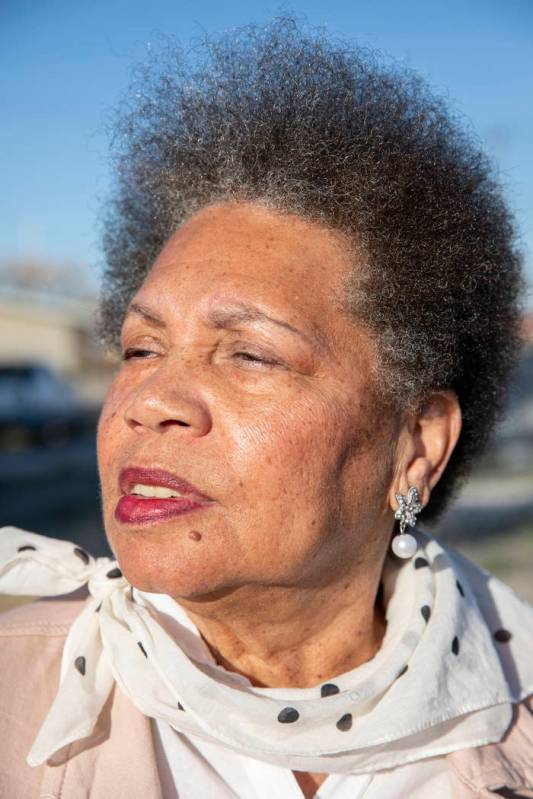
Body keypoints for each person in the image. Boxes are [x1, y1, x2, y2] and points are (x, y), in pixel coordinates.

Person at [1, 17, 532, 799]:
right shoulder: (17, 697)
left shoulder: (512, 700)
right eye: (141, 349)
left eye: (249, 353)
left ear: (416, 444)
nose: (149, 402)